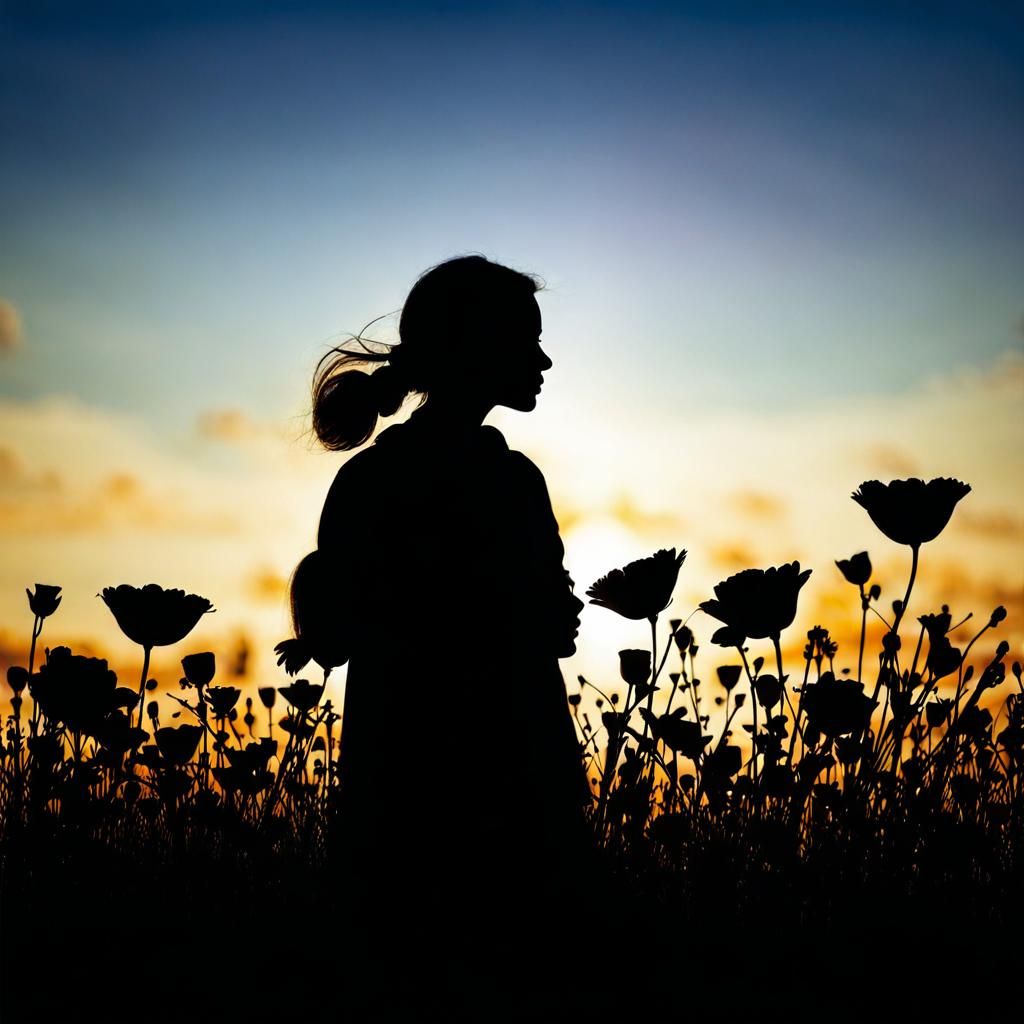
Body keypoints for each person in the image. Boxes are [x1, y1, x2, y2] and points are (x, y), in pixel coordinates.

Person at [287, 255, 597, 1016]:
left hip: (401, 792)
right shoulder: (510, 482)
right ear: (475, 349)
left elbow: (333, 634)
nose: (543, 361)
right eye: (527, 342)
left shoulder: (373, 479)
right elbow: (548, 626)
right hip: (509, 783)